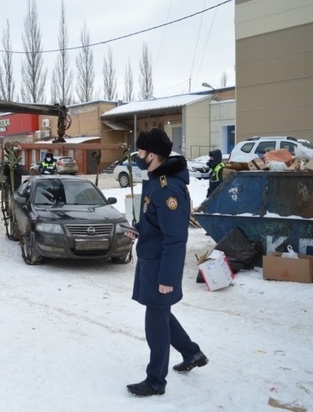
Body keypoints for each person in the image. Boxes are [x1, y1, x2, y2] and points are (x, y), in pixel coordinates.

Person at [123, 128, 208, 397]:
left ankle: (155, 381)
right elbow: (155, 224)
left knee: (156, 322)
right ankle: (192, 353)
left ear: (153, 155)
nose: (137, 155)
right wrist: (138, 229)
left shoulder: (168, 188)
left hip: (161, 266)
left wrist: (167, 280)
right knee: (161, 313)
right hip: (152, 260)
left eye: (141, 151)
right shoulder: (155, 180)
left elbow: (175, 238)